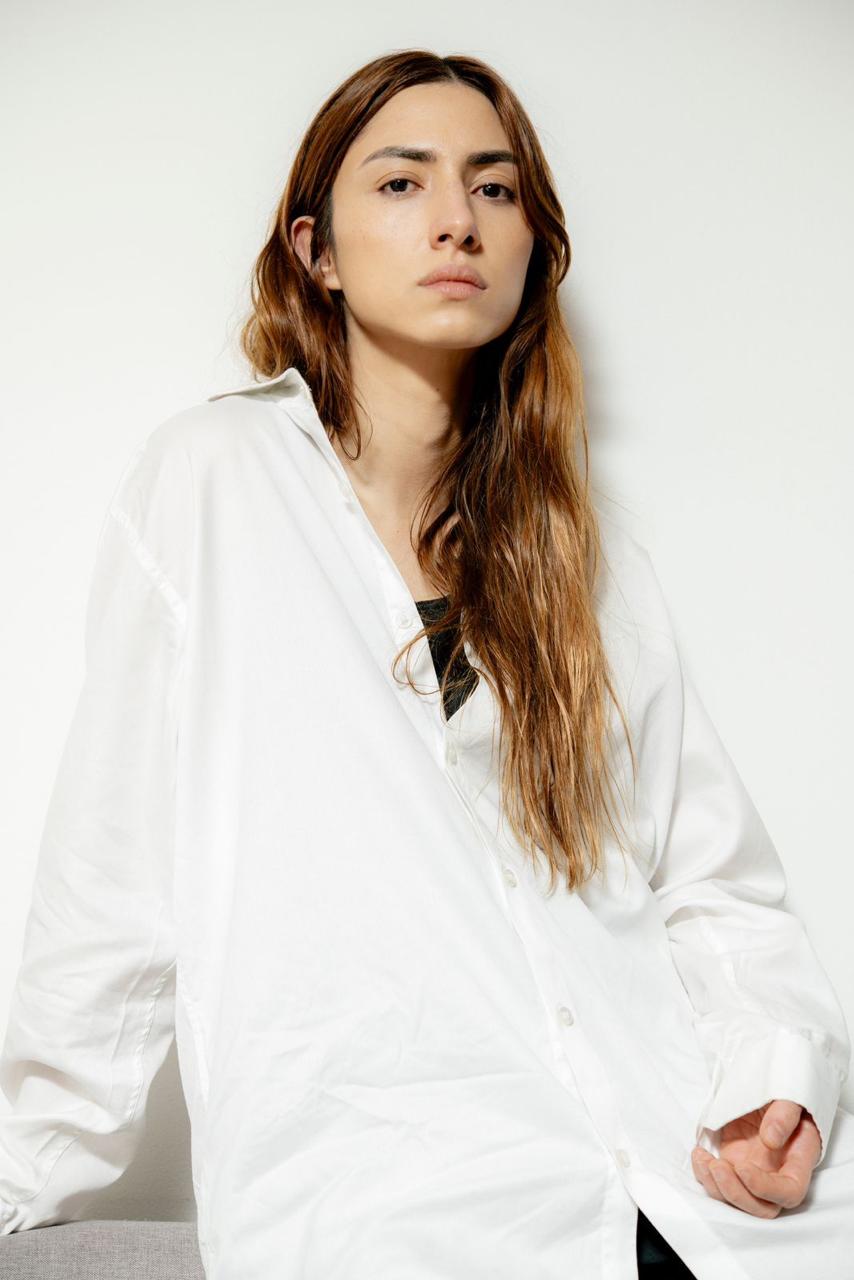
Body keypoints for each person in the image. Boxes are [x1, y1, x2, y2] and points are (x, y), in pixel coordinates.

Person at [0, 48, 852, 1280]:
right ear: (316, 251)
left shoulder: (585, 559)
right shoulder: (214, 485)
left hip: (681, 1192)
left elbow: (712, 883)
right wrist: (22, 1179)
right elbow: (110, 886)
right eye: (401, 183)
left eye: (493, 188)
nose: (456, 219)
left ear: (530, 248)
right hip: (398, 1207)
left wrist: (772, 1082)